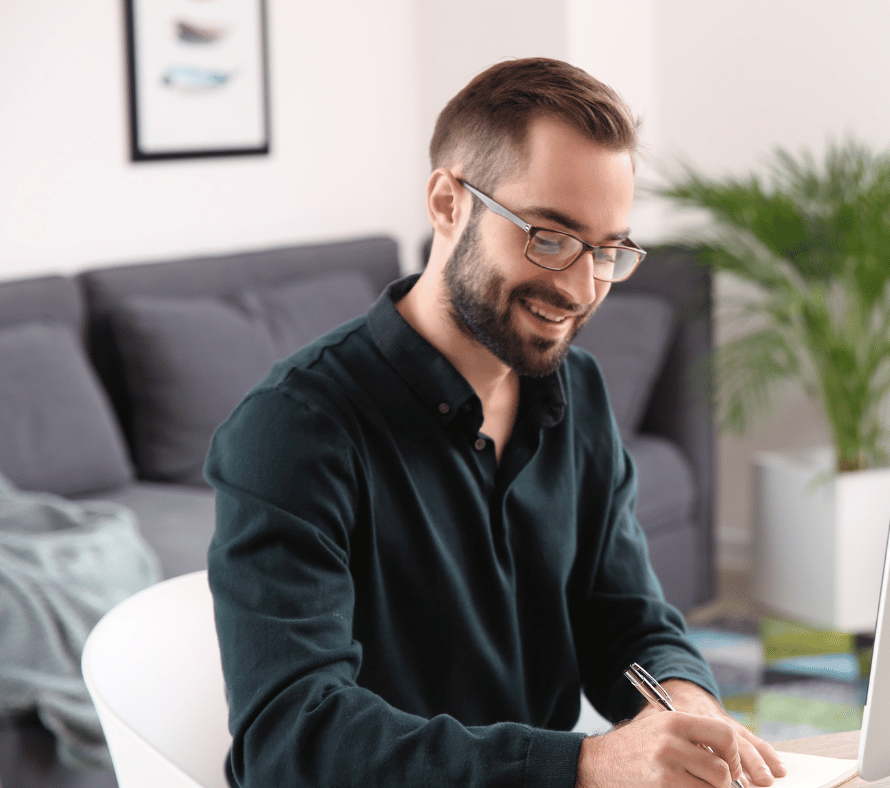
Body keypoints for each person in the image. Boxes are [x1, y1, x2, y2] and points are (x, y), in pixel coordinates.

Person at [205, 57, 787, 788]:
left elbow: (628, 623)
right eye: (549, 235)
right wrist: (584, 764)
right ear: (448, 203)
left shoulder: (579, 390)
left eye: (608, 251)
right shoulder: (293, 431)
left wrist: (689, 709)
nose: (580, 288)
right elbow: (290, 741)